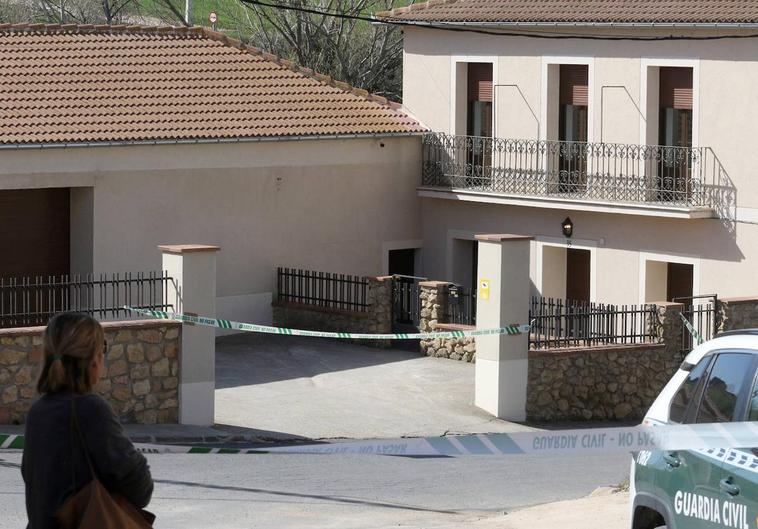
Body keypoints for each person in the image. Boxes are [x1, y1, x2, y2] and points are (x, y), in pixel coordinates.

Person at [21, 313, 154, 529]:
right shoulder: (91, 410)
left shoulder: (38, 411)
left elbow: (32, 480)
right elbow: (139, 488)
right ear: (93, 360)